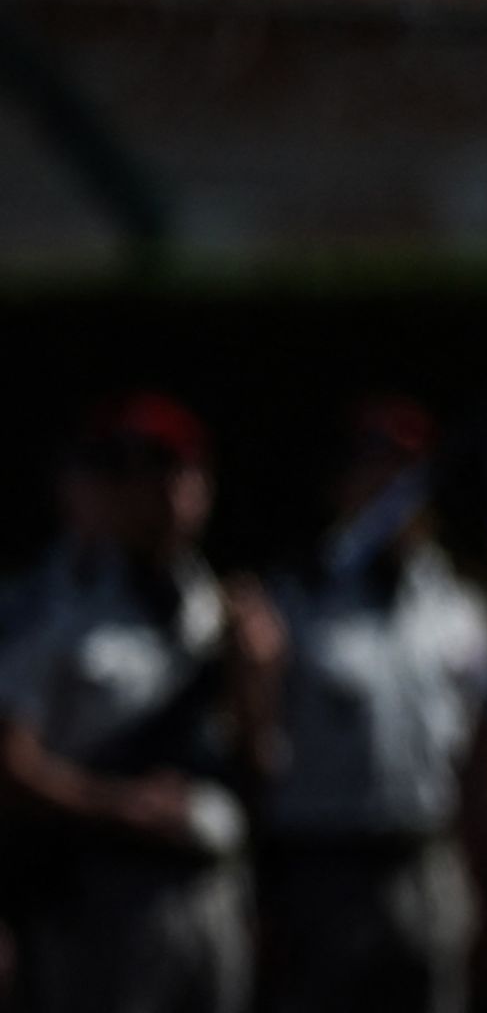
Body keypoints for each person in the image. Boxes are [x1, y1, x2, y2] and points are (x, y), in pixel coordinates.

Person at [0, 392, 282, 1013]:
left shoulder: (222, 609)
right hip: (99, 891)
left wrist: (256, 682)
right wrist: (122, 806)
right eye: (140, 473)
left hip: (211, 889)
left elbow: (256, 761)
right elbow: (9, 766)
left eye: (181, 473)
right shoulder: (43, 612)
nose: (164, 494)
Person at [257, 395, 487, 1013]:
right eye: (373, 470)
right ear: (342, 485)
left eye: (406, 475)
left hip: (429, 860)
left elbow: (480, 750)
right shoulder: (291, 601)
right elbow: (256, 741)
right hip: (328, 869)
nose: (391, 491)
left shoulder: (461, 609)